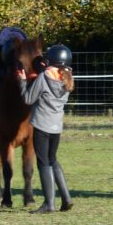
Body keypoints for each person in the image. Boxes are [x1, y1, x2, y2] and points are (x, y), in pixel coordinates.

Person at [18, 44, 74, 213]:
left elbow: (28, 98)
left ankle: (49, 204)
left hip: (42, 125)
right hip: (57, 127)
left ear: (51, 61)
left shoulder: (43, 77)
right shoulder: (68, 79)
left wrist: (22, 81)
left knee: (43, 162)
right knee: (52, 159)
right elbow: (54, 75)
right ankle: (66, 198)